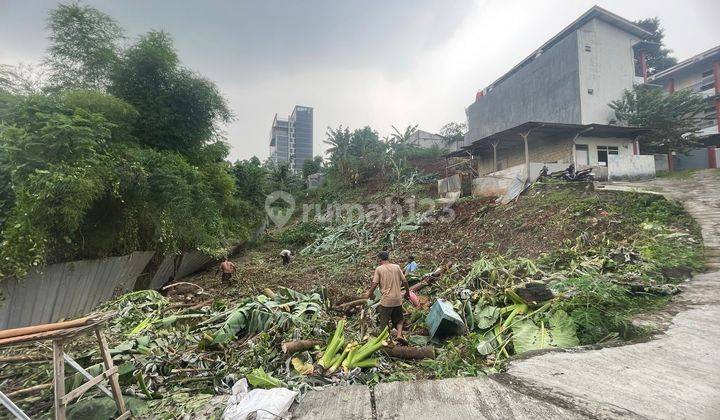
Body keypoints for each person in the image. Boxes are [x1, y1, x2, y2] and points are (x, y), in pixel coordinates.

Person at [365, 251, 410, 342]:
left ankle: (387, 340)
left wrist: (369, 295)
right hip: (398, 299)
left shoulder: (379, 269)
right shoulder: (396, 267)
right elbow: (405, 281)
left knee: (384, 323)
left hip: (386, 301)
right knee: (399, 319)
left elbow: (374, 284)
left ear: (380, 259)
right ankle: (399, 335)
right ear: (388, 258)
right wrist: (407, 293)